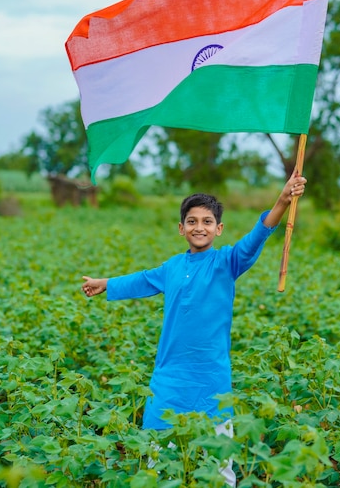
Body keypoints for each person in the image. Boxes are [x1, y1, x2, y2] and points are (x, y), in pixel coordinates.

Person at [82, 169, 306, 486]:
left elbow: (258, 235)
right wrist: (104, 283)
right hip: (170, 374)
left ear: (219, 229)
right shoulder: (173, 266)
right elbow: (142, 279)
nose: (199, 227)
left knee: (220, 466)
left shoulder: (228, 262)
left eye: (206, 222)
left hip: (211, 374)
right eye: (192, 221)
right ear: (181, 228)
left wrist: (283, 200)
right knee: (158, 460)